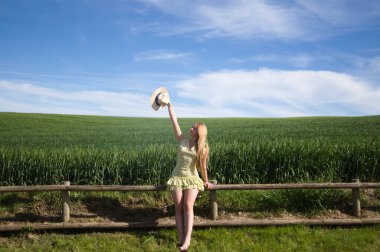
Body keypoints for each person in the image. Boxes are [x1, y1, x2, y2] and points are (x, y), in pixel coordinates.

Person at [166, 102, 213, 252]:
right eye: (192, 127)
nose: (191, 128)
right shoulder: (183, 140)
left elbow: (203, 166)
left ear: (199, 132)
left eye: (194, 127)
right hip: (177, 177)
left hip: (192, 178)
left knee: (187, 206)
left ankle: (187, 240)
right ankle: (181, 239)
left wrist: (206, 181)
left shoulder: (203, 148)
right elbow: (175, 123)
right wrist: (169, 107)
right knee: (178, 208)